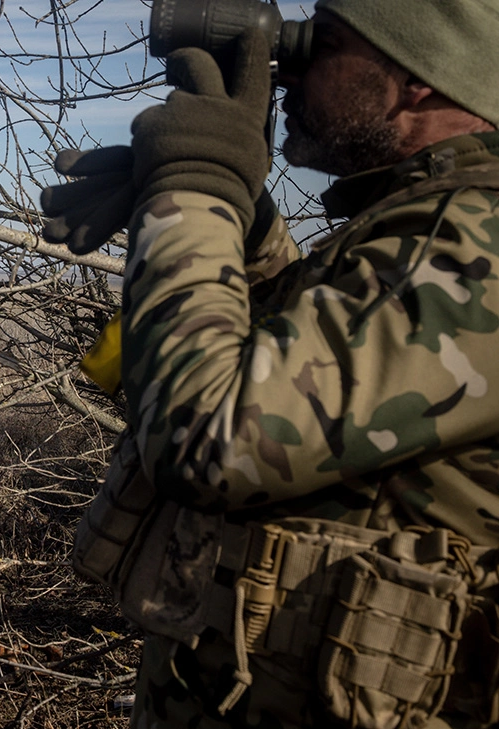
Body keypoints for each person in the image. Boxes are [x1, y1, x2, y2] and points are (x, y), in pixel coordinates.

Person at [61, 1, 499, 727]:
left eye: (322, 43)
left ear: (419, 76)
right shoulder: (427, 227)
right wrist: (242, 220)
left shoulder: (475, 244)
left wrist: (197, 182)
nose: (286, 70)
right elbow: (310, 373)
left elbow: (214, 433)